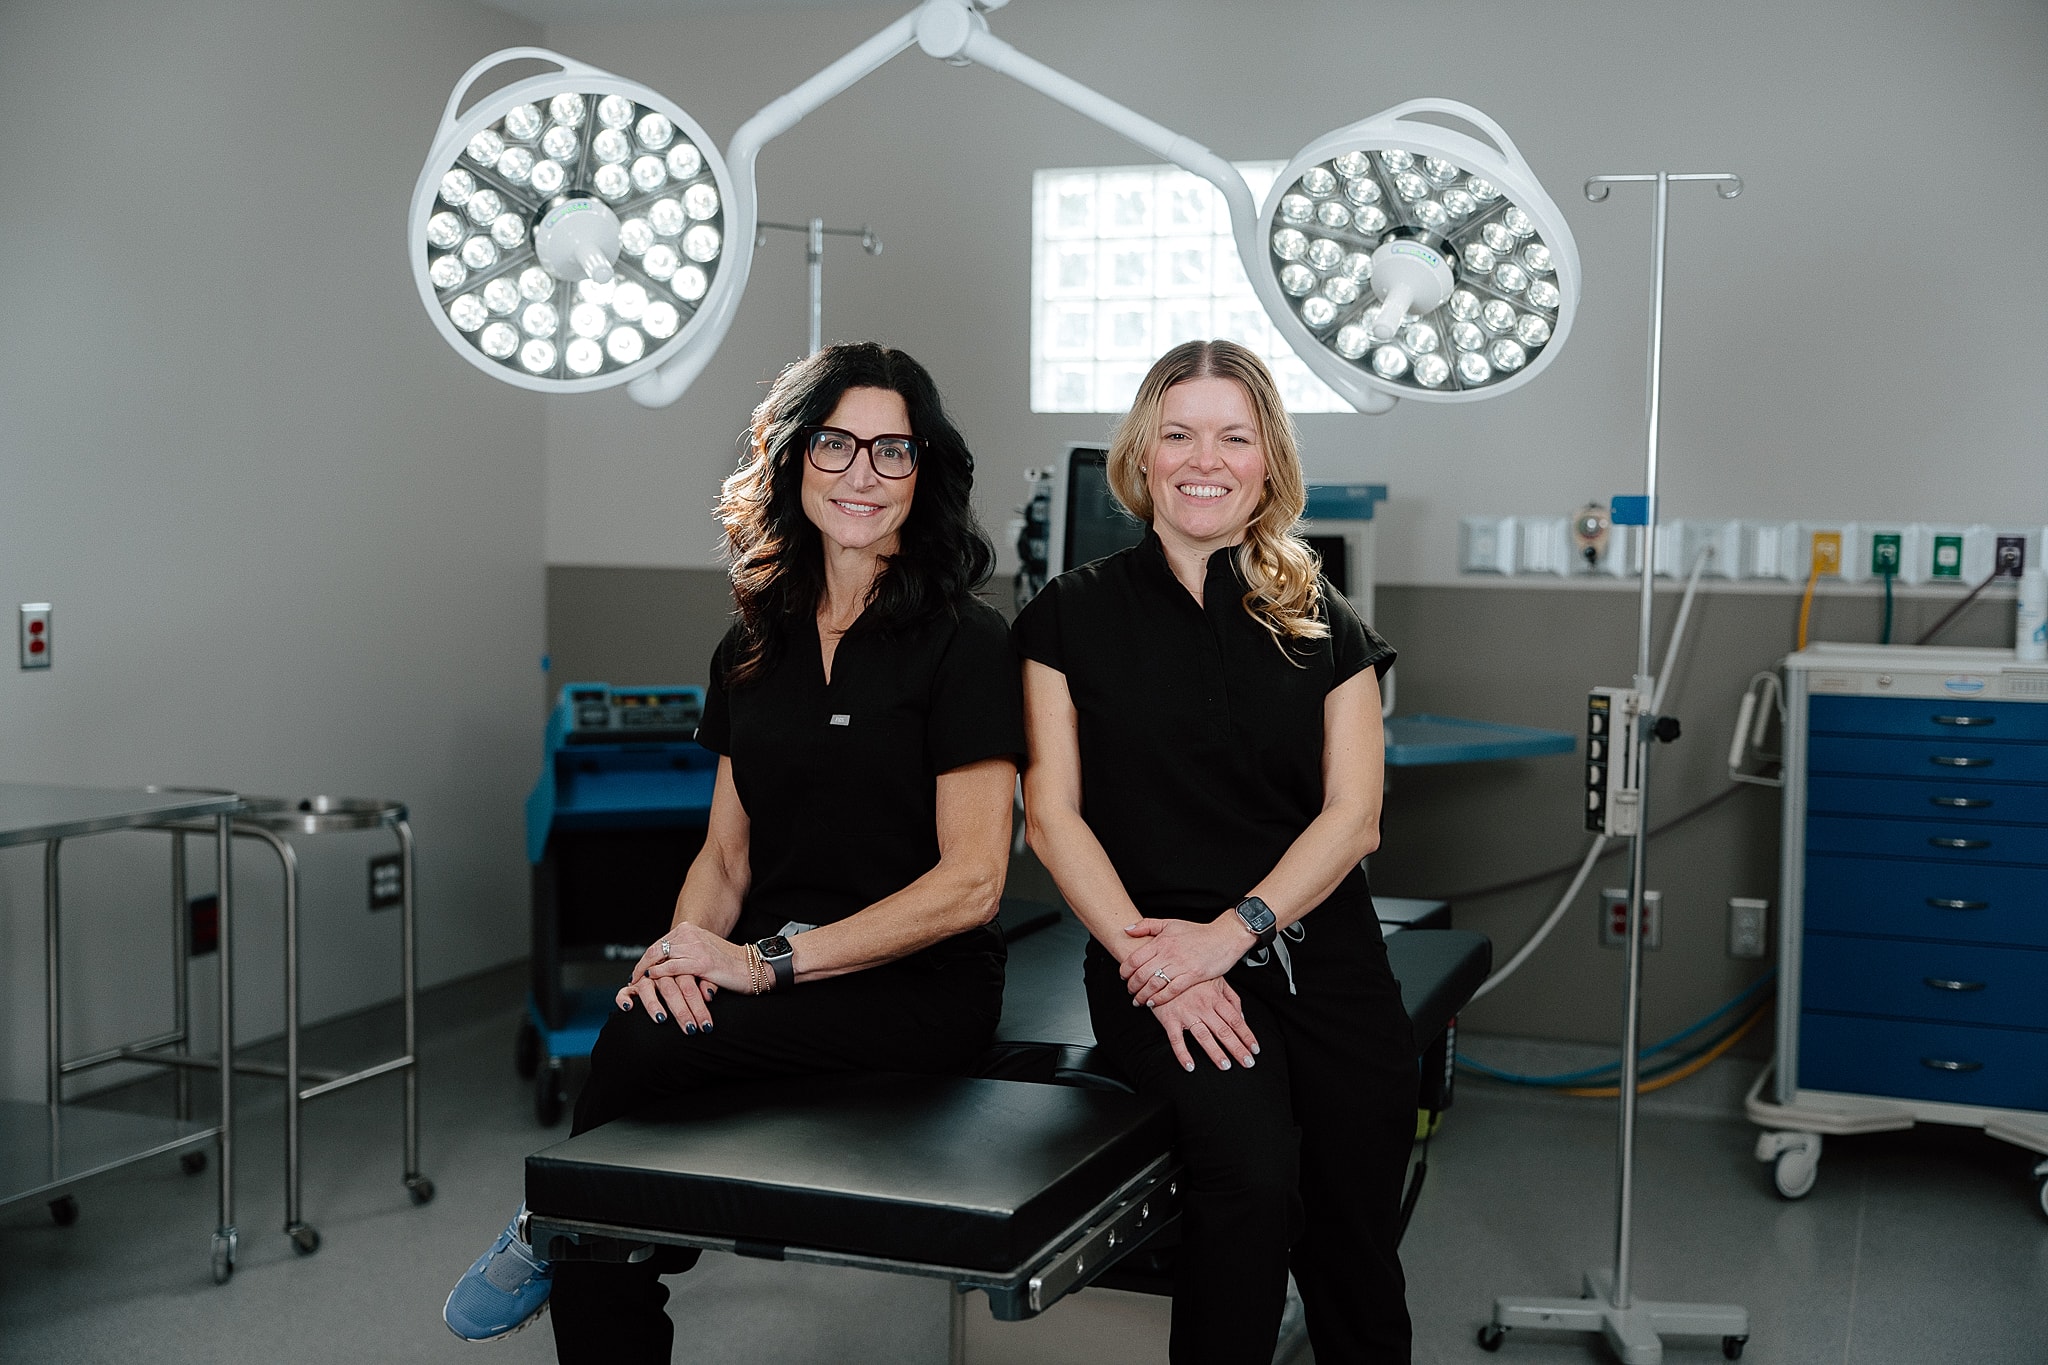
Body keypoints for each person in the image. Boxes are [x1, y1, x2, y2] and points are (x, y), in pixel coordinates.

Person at [443, 342, 1024, 1363]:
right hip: (779, 967)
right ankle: (580, 1231)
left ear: (925, 472)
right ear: (793, 457)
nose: (861, 474)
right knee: (643, 1014)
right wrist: (678, 954)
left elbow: (971, 885)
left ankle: (562, 1225)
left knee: (637, 1061)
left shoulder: (967, 644)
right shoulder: (752, 643)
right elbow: (724, 855)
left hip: (918, 987)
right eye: (836, 443)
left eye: (894, 450)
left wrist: (760, 964)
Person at [1013, 339, 1413, 1364]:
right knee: (1244, 1190)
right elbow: (1051, 815)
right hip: (1151, 962)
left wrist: (1228, 936)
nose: (1206, 458)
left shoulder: (1323, 621)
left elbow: (1352, 819)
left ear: (1266, 462)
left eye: (1233, 436)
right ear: (1142, 456)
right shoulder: (1069, 614)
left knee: (1354, 1240)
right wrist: (1158, 961)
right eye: (1178, 433)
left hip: (1321, 966)